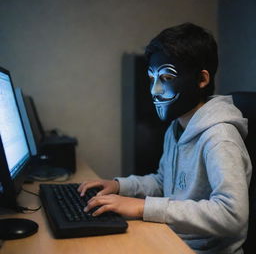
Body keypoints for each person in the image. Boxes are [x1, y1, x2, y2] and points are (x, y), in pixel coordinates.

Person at [78, 23, 252, 254]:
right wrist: (120, 186)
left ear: (202, 79)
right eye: (152, 79)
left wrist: (143, 208)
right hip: (173, 240)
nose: (154, 90)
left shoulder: (219, 138)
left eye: (167, 77)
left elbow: (232, 214)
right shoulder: (177, 126)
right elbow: (164, 183)